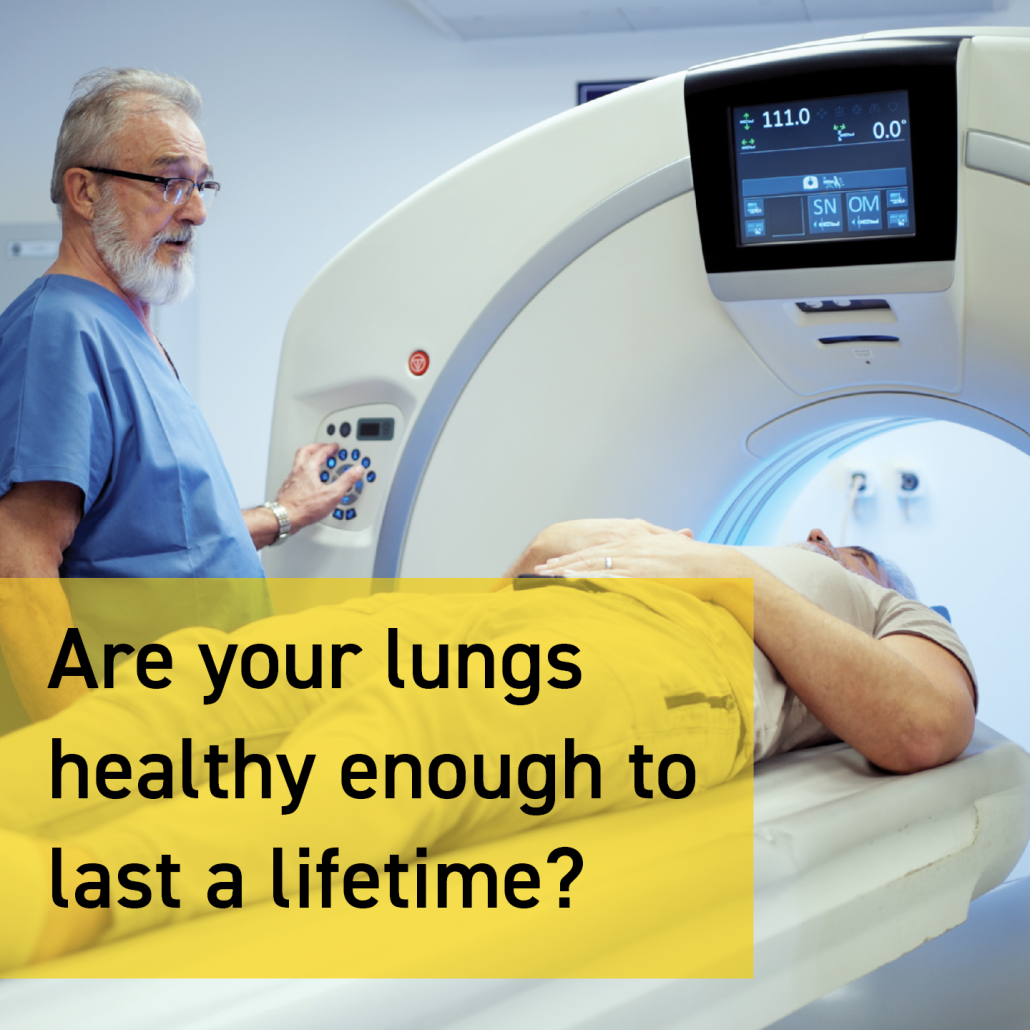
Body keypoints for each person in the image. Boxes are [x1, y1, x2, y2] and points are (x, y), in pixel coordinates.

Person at [0, 518, 976, 970]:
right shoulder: (709, 535)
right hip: (501, 608)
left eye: (858, 547)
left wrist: (718, 569)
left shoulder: (886, 603)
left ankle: (63, 898)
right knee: (195, 685)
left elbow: (924, 724)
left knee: (410, 736)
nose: (840, 543)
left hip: (671, 652)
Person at [0, 69, 361, 720]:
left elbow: (160, 545)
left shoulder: (127, 328)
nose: (194, 211)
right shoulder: (60, 331)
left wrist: (283, 514)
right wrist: (86, 762)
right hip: (131, 746)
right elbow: (20, 568)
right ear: (85, 191)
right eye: (170, 182)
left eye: (202, 185)